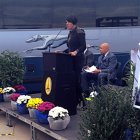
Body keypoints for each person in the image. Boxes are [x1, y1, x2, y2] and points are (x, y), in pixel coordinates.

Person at [66, 15, 86, 105]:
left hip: (78, 59)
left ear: (72, 23)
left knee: (77, 80)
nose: (66, 24)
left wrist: (76, 52)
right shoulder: (70, 32)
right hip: (71, 60)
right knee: (73, 80)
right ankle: (76, 100)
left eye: (67, 22)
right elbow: (70, 47)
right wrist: (61, 51)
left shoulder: (79, 32)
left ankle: (83, 101)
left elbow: (83, 46)